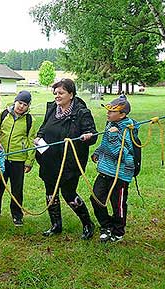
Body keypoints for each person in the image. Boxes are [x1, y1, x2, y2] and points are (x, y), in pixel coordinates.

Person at [34, 78, 97, 239]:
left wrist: (87, 136)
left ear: (71, 94)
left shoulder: (82, 113)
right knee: (50, 192)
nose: (57, 96)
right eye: (55, 93)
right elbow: (43, 127)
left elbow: (93, 135)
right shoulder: (52, 109)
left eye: (61, 93)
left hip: (69, 161)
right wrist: (38, 137)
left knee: (68, 193)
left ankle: (88, 224)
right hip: (49, 158)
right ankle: (56, 225)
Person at [90, 97, 134, 242]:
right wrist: (97, 152)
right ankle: (106, 225)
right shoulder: (110, 125)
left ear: (122, 115)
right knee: (96, 198)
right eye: (108, 110)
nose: (108, 113)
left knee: (118, 204)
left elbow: (121, 155)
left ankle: (118, 231)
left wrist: (115, 136)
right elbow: (105, 144)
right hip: (105, 170)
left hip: (119, 174)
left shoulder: (128, 130)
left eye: (112, 111)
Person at [0, 90, 37, 226]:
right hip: (1, 158)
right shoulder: (3, 114)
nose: (21, 107)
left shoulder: (30, 120)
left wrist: (29, 161)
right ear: (15, 101)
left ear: (28, 106)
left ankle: (17, 215)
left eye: (25, 104)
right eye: (20, 103)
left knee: (17, 189)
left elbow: (31, 142)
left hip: (18, 159)